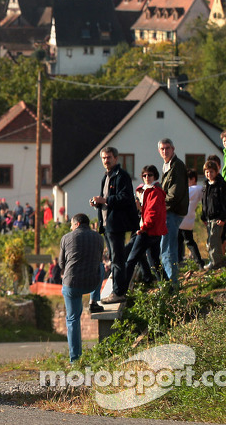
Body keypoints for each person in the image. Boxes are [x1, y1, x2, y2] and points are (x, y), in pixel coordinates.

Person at [106, 165, 167, 302]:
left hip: (148, 231)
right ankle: (168, 286)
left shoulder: (154, 191)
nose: (147, 178)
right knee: (154, 262)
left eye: (150, 175)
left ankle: (121, 291)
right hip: (154, 231)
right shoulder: (149, 191)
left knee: (130, 260)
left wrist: (143, 227)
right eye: (144, 175)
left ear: (155, 176)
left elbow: (152, 213)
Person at [90, 146, 137, 300]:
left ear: (116, 158)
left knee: (117, 258)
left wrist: (104, 200)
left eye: (109, 157)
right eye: (103, 158)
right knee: (114, 257)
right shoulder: (106, 176)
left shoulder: (121, 176)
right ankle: (117, 291)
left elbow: (125, 198)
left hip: (116, 224)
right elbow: (107, 199)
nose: (106, 160)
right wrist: (98, 203)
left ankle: (118, 292)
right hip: (106, 223)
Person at [59, 213, 104, 362]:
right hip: (92, 283)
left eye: (71, 224)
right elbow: (98, 260)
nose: (70, 227)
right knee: (101, 266)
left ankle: (75, 359)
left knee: (73, 320)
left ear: (77, 224)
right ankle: (94, 301)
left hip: (71, 284)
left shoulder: (67, 237)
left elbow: (61, 264)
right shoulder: (99, 238)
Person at [158, 138, 188, 289]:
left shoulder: (177, 166)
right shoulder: (166, 165)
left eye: (167, 148)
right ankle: (171, 281)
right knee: (166, 248)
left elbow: (175, 193)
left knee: (168, 249)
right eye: (162, 149)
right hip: (169, 211)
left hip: (172, 211)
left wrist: (159, 204)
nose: (165, 151)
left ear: (173, 148)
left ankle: (173, 283)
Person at [201, 160, 226, 270]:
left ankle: (215, 262)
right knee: (211, 241)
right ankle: (219, 261)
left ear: (217, 172)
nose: (209, 174)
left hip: (218, 218)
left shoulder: (220, 185)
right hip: (209, 218)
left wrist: (223, 218)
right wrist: (203, 216)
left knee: (214, 240)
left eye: (211, 172)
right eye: (207, 172)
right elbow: (204, 202)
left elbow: (225, 203)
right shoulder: (206, 185)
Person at [178, 169, 205, 269]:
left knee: (188, 242)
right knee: (183, 241)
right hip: (188, 220)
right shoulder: (199, 189)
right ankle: (182, 260)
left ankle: (199, 262)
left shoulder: (192, 189)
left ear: (193, 179)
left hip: (182, 219)